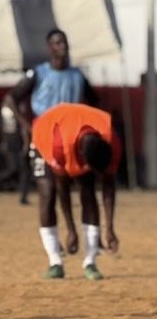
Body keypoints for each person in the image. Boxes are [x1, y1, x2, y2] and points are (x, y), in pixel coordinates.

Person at [5, 29, 99, 239]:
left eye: (64, 42)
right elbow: (11, 99)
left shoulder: (78, 75)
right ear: (50, 48)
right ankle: (54, 257)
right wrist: (27, 126)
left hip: (72, 141)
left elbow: (94, 102)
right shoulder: (38, 73)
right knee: (47, 194)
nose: (62, 47)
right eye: (57, 43)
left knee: (86, 190)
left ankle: (89, 247)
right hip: (44, 139)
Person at [30, 102, 121, 280]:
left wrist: (109, 228)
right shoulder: (58, 146)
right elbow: (63, 188)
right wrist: (71, 230)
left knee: (88, 190)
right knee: (48, 194)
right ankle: (55, 261)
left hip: (74, 132)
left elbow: (109, 184)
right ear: (82, 156)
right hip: (45, 134)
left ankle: (90, 261)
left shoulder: (112, 139)